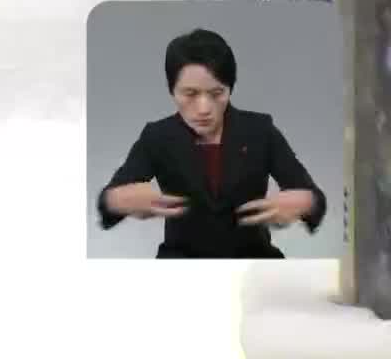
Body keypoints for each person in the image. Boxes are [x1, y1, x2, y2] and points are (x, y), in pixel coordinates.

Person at [96, 28, 326, 259]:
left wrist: (303, 202)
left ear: (230, 89)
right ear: (172, 91)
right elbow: (109, 199)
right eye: (190, 94)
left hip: (254, 259)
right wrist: (120, 200)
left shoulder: (260, 130)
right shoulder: (157, 136)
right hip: (181, 261)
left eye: (217, 93)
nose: (204, 108)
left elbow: (313, 196)